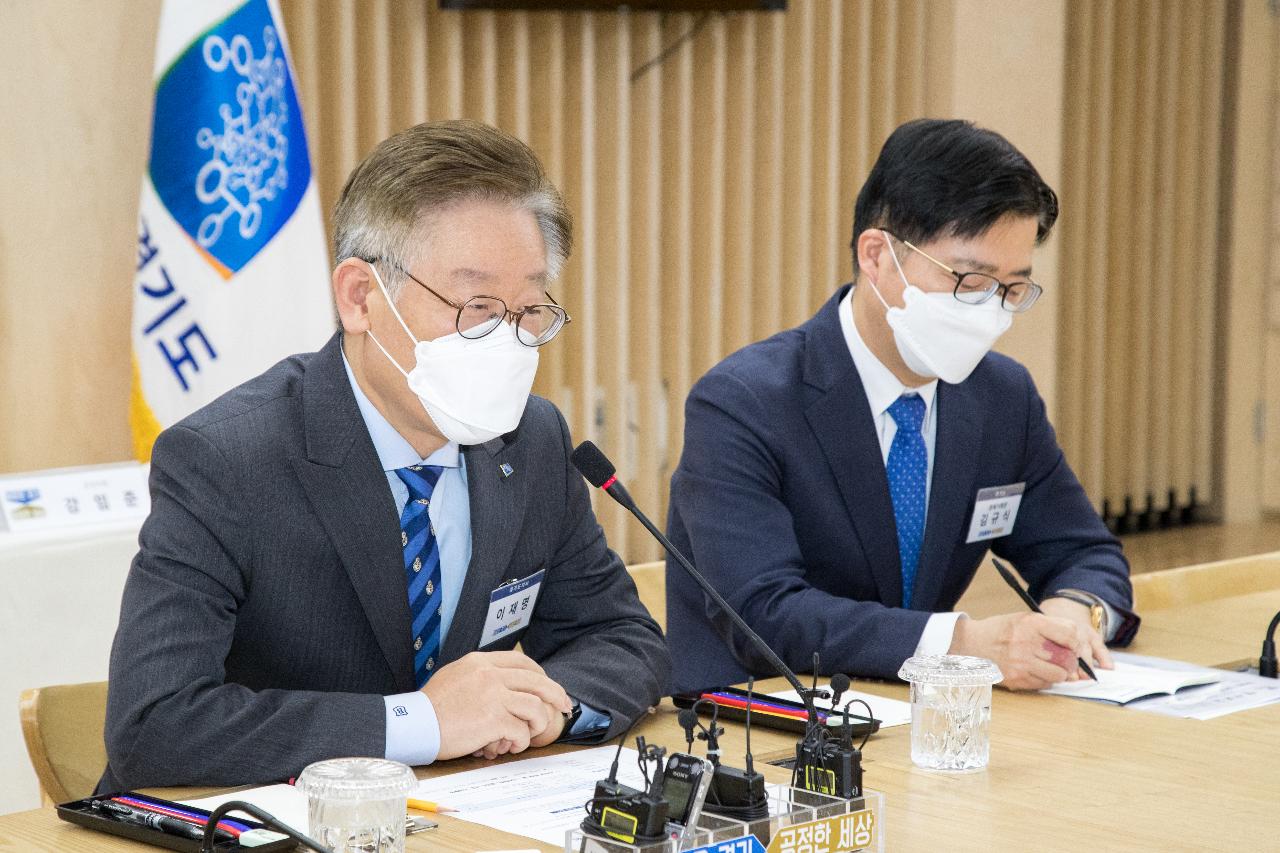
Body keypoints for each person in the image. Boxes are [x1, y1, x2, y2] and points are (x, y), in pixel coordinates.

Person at [100, 120, 669, 791]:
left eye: (531, 310)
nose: (509, 341)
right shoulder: (224, 460)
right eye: (478, 305)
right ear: (361, 297)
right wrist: (422, 723)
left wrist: (545, 707)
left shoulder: (533, 440)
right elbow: (155, 722)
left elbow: (625, 641)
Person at [665, 118, 1138, 694]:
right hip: (761, 725)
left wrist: (1073, 616)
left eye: (1012, 290)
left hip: (927, 719)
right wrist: (962, 644)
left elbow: (1083, 551)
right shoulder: (744, 401)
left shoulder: (1001, 397)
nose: (991, 311)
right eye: (970, 280)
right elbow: (763, 613)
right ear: (878, 256)